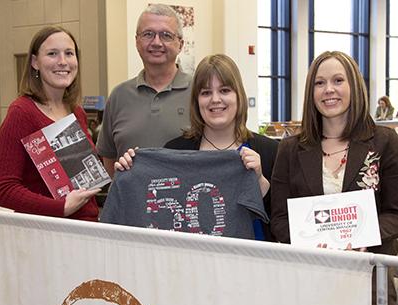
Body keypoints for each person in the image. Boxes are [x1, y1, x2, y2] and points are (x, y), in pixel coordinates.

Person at [270, 51, 398, 305]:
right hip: (308, 279)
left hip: (370, 280)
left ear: (354, 86)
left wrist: (362, 237)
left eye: (337, 80)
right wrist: (309, 242)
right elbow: (279, 220)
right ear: (311, 92)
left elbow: (397, 215)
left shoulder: (384, 142)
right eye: (320, 83)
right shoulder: (291, 149)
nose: (328, 89)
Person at [116, 54, 279, 241]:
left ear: (239, 96)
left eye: (225, 90)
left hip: (250, 264)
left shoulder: (269, 152)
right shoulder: (175, 151)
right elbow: (152, 211)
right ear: (196, 101)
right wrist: (131, 171)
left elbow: (281, 223)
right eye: (206, 92)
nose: (215, 99)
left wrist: (259, 180)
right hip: (190, 264)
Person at [0, 26, 99, 221]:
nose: (63, 61)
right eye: (52, 54)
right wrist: (60, 207)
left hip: (87, 229)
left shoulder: (77, 112)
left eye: (69, 53)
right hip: (46, 235)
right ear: (35, 62)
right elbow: (4, 189)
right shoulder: (22, 113)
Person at [97, 4, 192, 177]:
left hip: (187, 202)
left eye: (166, 35)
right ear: (137, 41)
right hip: (131, 203)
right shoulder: (119, 96)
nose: (156, 42)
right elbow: (109, 160)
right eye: (148, 34)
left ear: (180, 44)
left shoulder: (200, 92)